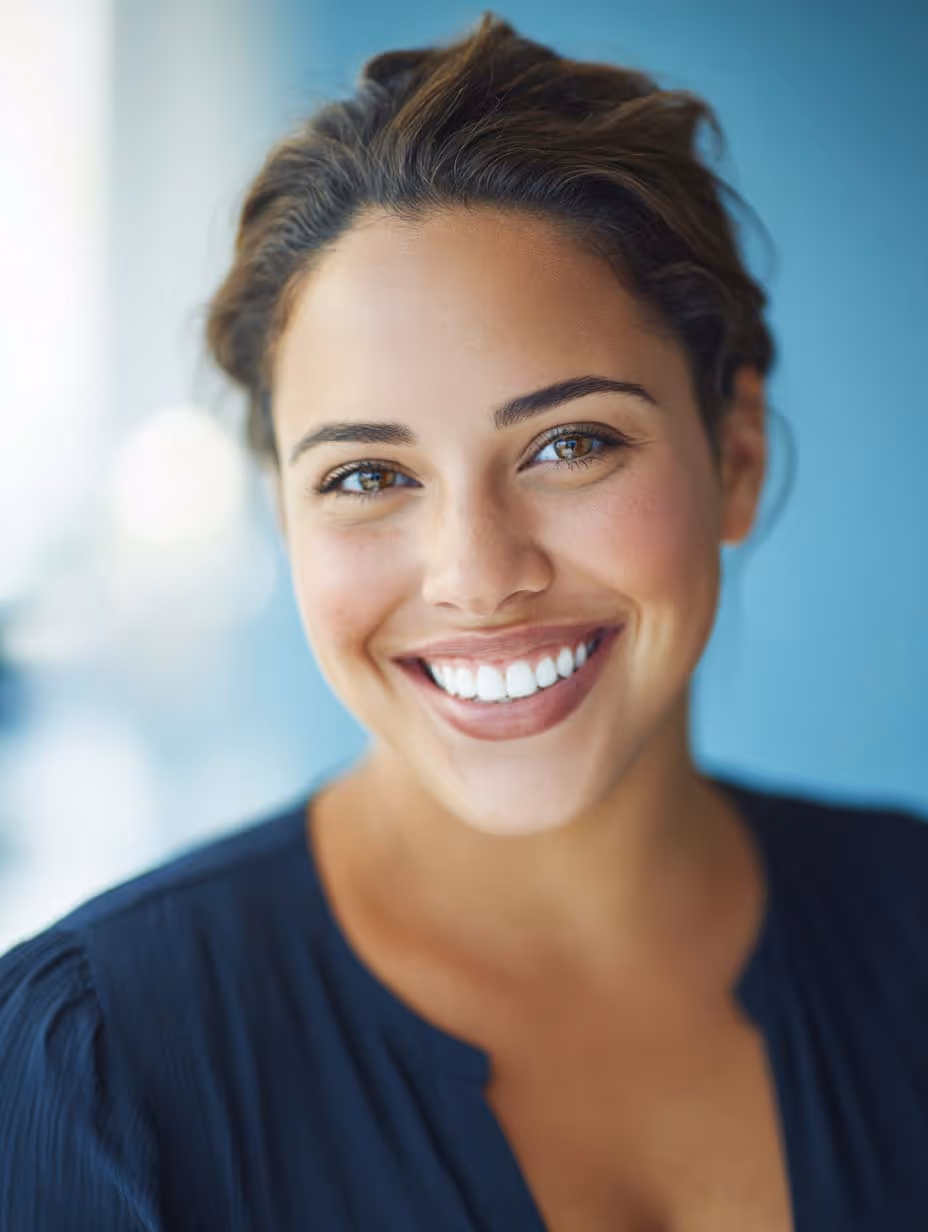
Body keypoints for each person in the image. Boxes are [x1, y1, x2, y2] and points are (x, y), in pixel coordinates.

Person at [2, 11, 926, 1231]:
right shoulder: (92, 1062)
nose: (478, 574)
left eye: (569, 443)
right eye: (366, 475)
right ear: (282, 513)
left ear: (736, 453)